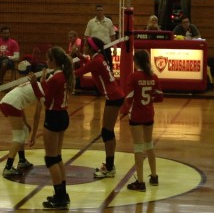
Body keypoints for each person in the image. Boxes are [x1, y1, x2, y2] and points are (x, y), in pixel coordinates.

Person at [28, 46, 75, 209]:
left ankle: (60, 199)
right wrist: (41, 82)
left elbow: (45, 103)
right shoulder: (62, 75)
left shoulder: (56, 78)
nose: (46, 62)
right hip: (63, 115)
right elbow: (50, 92)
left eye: (48, 59)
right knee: (57, 157)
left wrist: (34, 85)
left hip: (54, 117)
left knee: (51, 159)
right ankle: (62, 194)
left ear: (53, 61)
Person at [74, 37, 124, 179]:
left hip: (113, 97)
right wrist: (78, 56)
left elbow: (79, 72)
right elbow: (89, 64)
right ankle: (110, 165)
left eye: (86, 46)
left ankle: (109, 168)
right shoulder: (99, 57)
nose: (83, 47)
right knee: (108, 132)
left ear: (92, 48)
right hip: (115, 95)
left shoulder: (97, 60)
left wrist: (59, 73)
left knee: (106, 132)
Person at [124, 49, 163, 192]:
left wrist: (126, 109)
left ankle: (140, 182)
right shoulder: (154, 77)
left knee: (138, 148)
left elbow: (128, 98)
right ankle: (154, 177)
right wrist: (148, 100)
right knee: (149, 145)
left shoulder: (133, 77)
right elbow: (160, 97)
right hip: (149, 114)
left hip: (136, 115)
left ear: (136, 62)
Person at [0, 82, 42, 178]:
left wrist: (26, 122)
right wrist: (33, 136)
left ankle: (22, 160)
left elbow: (21, 105)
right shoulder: (42, 90)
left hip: (6, 102)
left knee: (23, 130)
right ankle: (8, 167)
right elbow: (37, 116)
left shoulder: (37, 84)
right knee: (18, 135)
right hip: (11, 104)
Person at [84, 4, 117, 71]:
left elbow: (113, 36)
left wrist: (115, 48)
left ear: (103, 11)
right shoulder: (91, 22)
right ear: (95, 11)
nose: (99, 12)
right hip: (94, 49)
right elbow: (87, 36)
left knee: (108, 67)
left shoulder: (109, 21)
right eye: (98, 10)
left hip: (106, 47)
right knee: (95, 68)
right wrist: (85, 49)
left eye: (101, 10)